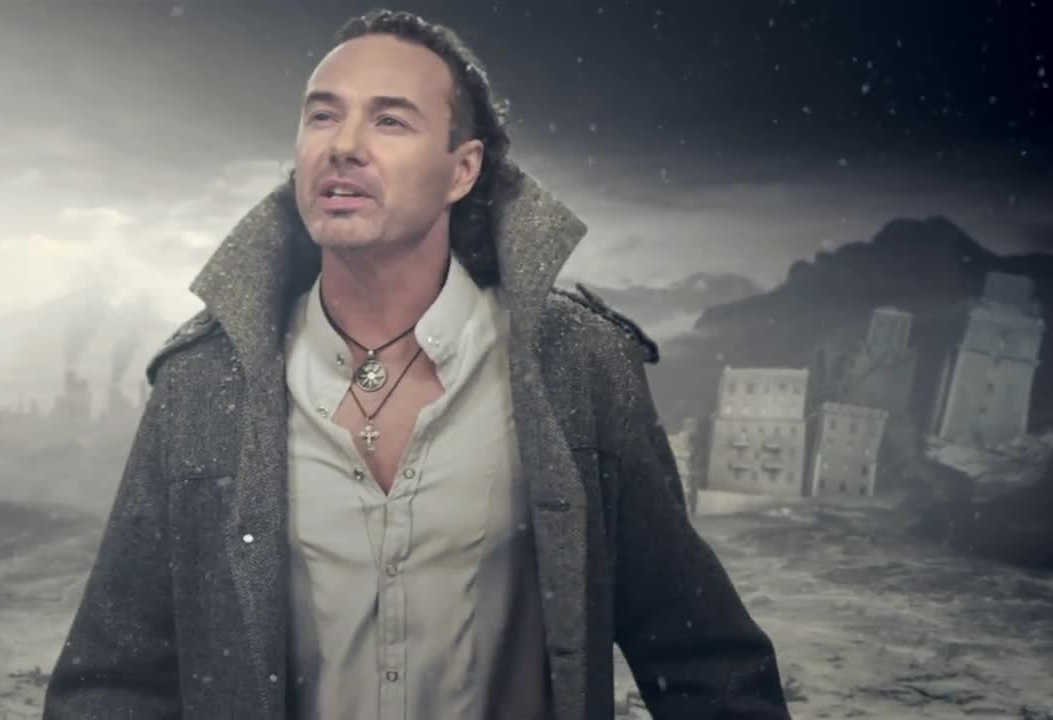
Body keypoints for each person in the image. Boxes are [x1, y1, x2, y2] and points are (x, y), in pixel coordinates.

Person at [43, 8, 790, 720]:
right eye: (322, 115)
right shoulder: (202, 385)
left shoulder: (579, 367)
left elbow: (700, 658)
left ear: (462, 170)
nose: (343, 145)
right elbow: (114, 682)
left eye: (390, 120)